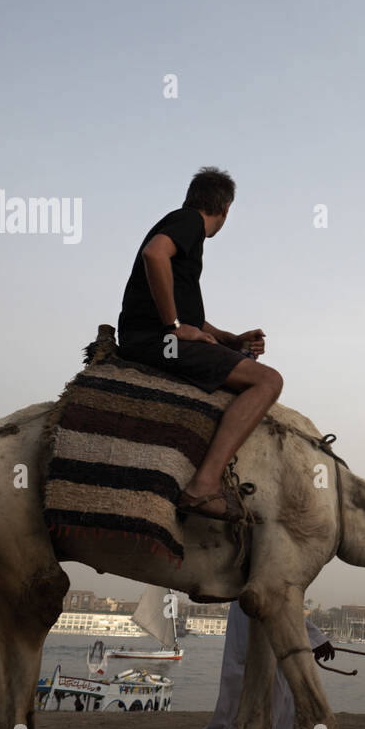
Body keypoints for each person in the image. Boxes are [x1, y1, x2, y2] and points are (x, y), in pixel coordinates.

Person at [117, 166, 283, 521]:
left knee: (244, 361)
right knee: (268, 381)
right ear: (225, 210)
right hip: (155, 342)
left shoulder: (186, 232)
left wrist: (228, 338)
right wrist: (173, 327)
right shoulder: (188, 222)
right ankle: (203, 487)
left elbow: (192, 319)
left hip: (158, 337)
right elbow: (154, 254)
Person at [149, 604, 335, 729]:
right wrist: (313, 638)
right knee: (244, 728)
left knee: (282, 723)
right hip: (262, 645)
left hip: (272, 647)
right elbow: (275, 599)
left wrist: (311, 638)